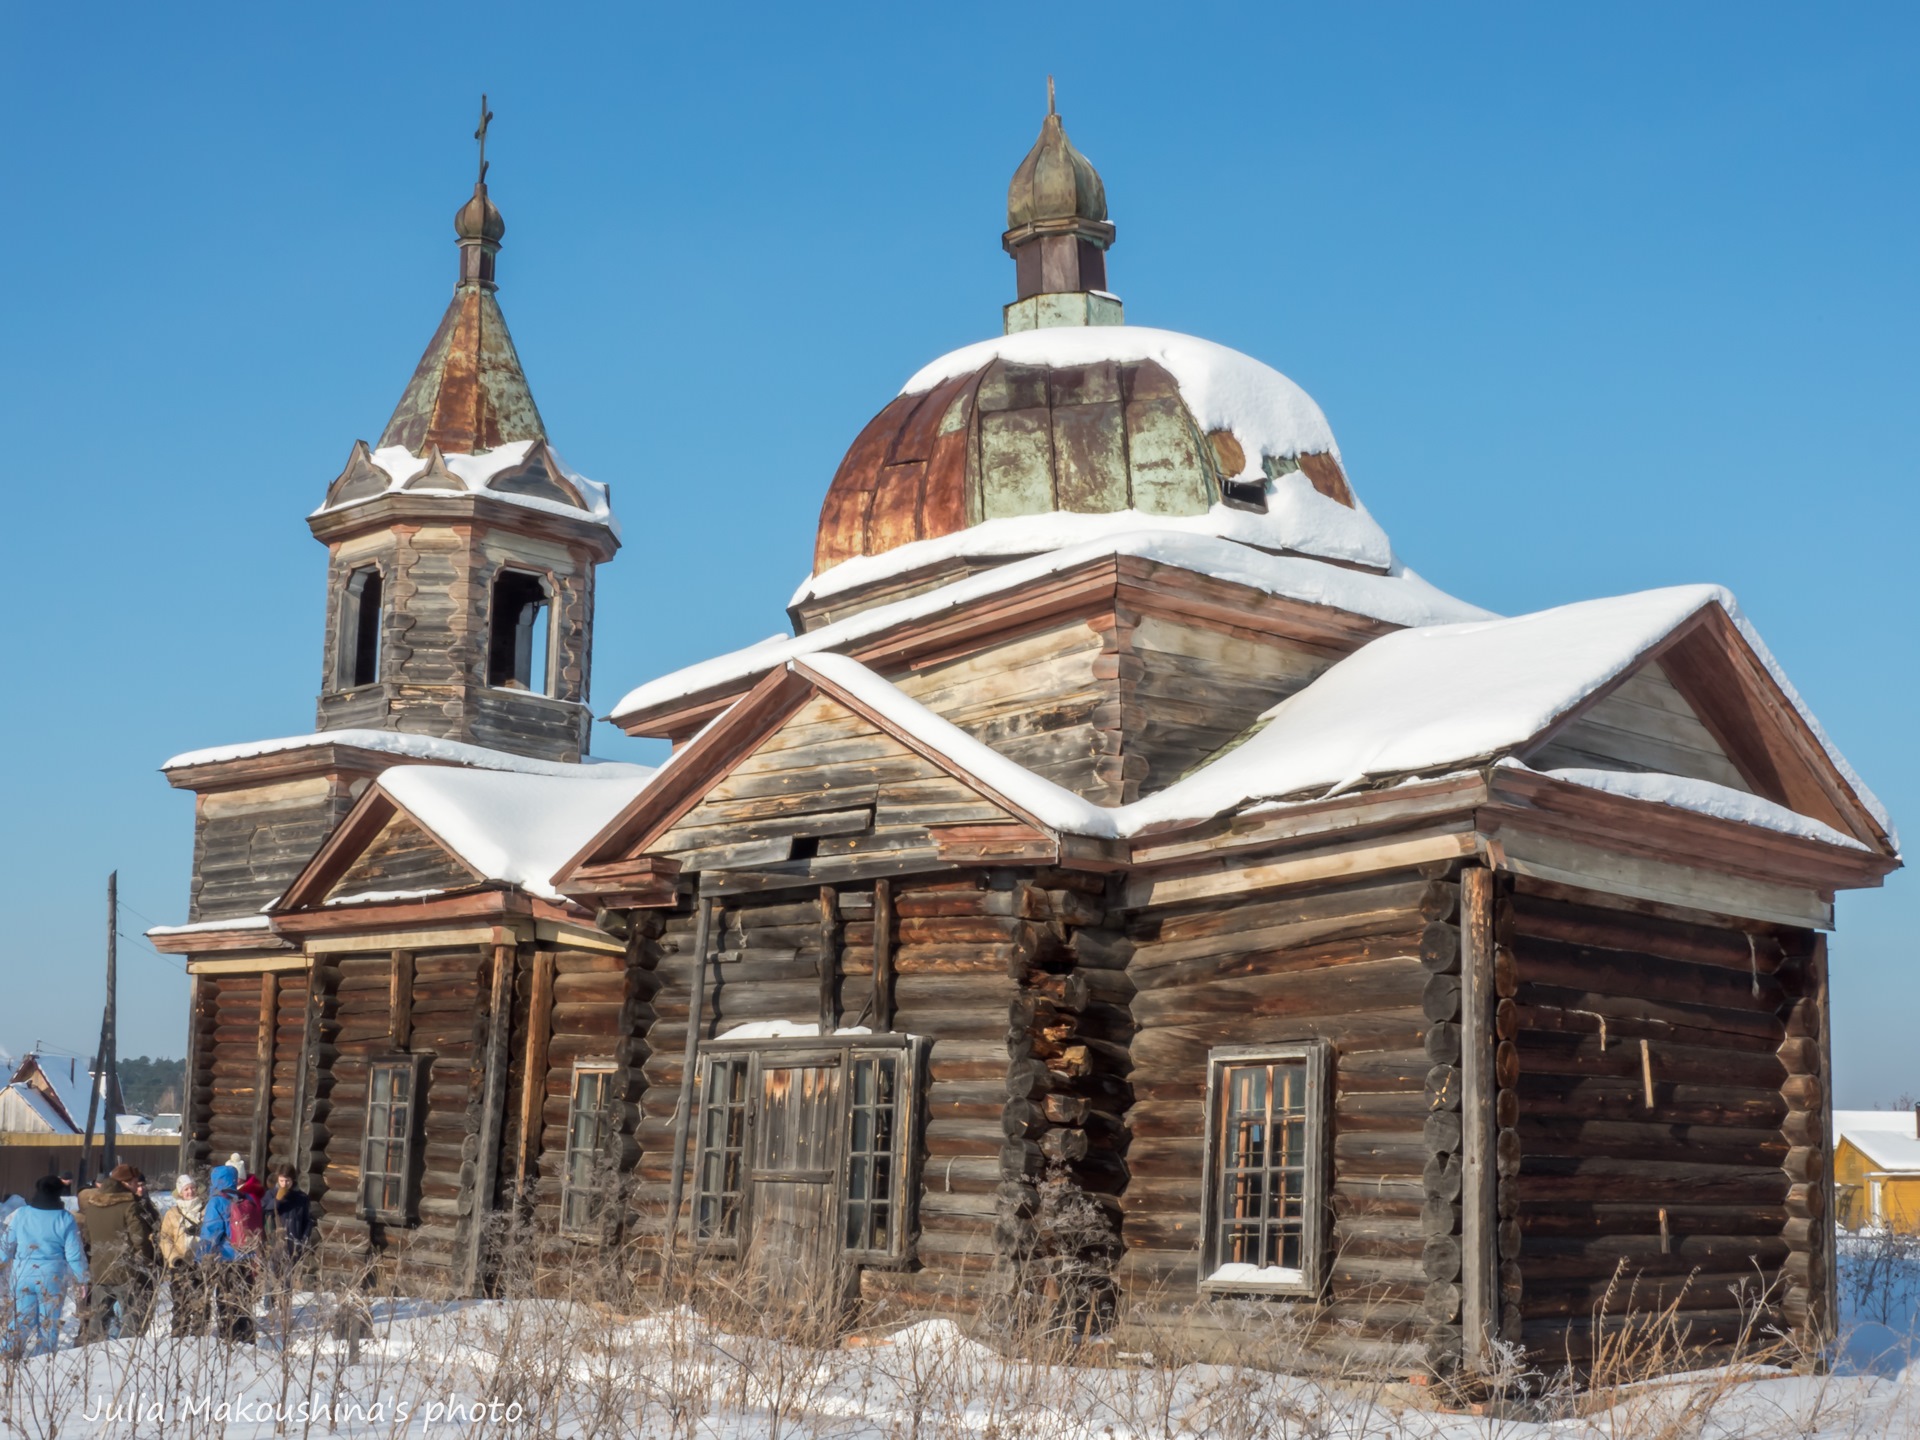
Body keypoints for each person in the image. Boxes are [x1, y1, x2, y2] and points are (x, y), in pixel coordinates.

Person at [1, 1177, 88, 1358]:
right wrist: (82, 1278)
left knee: (18, 1321)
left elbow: (6, 1245)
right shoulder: (65, 1218)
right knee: (49, 1322)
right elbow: (74, 1254)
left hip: (22, 1273)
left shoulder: (22, 1214)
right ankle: (42, 1361)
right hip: (52, 1276)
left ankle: (5, 1356)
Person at [76, 1163, 157, 1341]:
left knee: (98, 1320)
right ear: (126, 1183)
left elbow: (88, 1237)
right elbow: (140, 1240)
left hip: (100, 1270)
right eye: (136, 1182)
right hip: (126, 1271)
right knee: (132, 1321)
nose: (138, 1186)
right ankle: (129, 1359)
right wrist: (144, 1264)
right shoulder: (129, 1206)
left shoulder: (93, 1206)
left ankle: (92, 1359)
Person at [197, 1165, 256, 1343]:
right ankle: (248, 1342)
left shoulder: (217, 1201)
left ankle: (229, 1342)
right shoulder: (246, 1198)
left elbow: (211, 1232)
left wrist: (201, 1258)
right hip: (247, 1259)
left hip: (226, 1260)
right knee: (244, 1305)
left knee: (226, 1305)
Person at [156, 1173, 207, 1337]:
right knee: (180, 1303)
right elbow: (165, 1238)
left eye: (192, 1188)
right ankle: (179, 1335)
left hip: (201, 1263)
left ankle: (198, 1335)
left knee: (201, 1302)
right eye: (186, 1189)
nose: (190, 1192)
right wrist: (175, 1258)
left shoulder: (205, 1209)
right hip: (179, 1265)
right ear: (180, 1192)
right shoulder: (172, 1213)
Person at [268, 1166, 314, 1264]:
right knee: (274, 1274)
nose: (284, 1184)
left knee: (291, 1275)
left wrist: (304, 1238)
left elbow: (308, 1220)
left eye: (287, 1181)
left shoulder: (302, 1197)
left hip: (295, 1243)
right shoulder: (271, 1194)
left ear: (292, 1180)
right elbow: (266, 1212)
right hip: (276, 1243)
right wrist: (277, 1200)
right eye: (281, 1181)